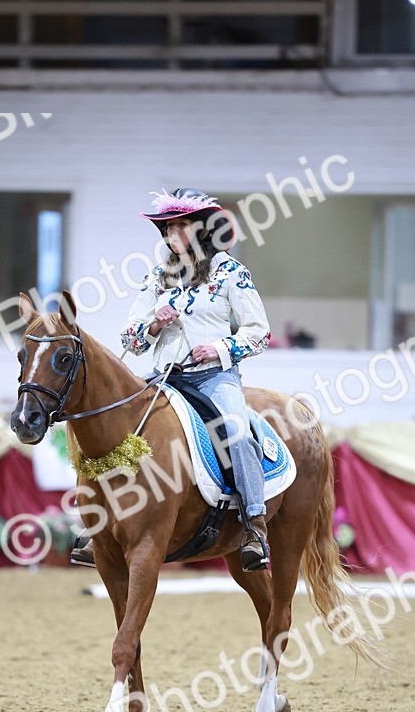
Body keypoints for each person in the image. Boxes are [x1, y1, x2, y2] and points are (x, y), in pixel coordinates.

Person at [72, 187, 272, 572]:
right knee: (116, 436)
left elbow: (259, 332)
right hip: (163, 378)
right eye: (167, 227)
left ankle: (253, 524)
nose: (171, 234)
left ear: (201, 229)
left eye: (180, 226)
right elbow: (129, 337)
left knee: (236, 431)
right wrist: (154, 323)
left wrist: (219, 348)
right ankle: (97, 523)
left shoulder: (231, 272)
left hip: (214, 378)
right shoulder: (157, 277)